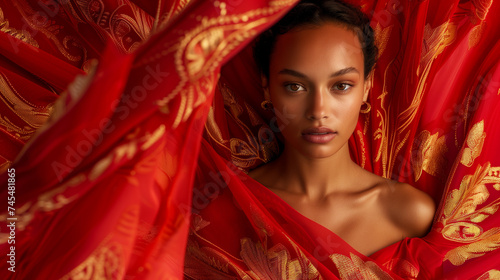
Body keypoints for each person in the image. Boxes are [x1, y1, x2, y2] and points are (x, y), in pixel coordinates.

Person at [248, 0, 435, 256]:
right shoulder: (235, 205)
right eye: (295, 86)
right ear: (267, 87)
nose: (318, 111)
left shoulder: (408, 213)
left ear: (366, 88)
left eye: (341, 86)